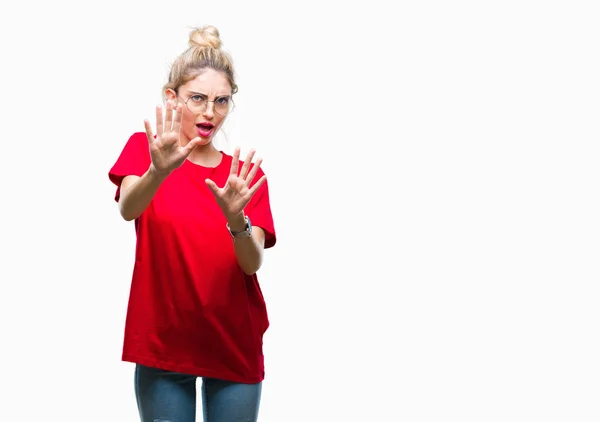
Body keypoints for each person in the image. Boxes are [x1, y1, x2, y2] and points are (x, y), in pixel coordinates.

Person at [108, 25, 276, 422]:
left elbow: (251, 263)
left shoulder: (244, 175)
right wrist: (158, 171)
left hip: (233, 342)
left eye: (221, 101)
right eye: (197, 98)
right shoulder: (144, 149)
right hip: (164, 342)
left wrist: (236, 217)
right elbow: (129, 208)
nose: (209, 112)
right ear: (173, 98)